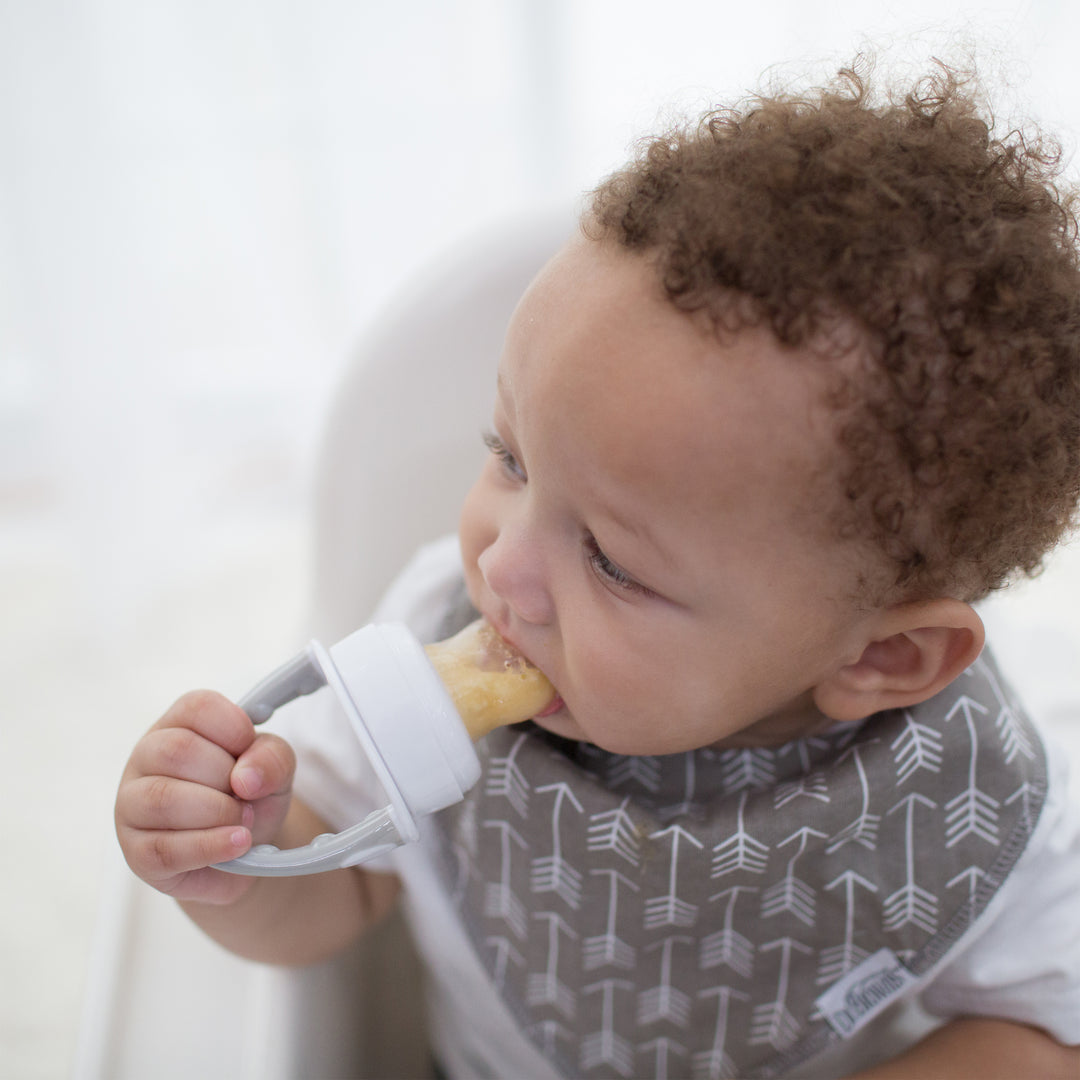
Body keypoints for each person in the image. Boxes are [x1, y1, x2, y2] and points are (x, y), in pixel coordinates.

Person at [115, 60, 1080, 1078]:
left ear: (884, 660)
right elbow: (337, 894)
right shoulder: (434, 625)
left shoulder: (969, 798)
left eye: (614, 565)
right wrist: (239, 854)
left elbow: (1048, 1030)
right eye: (510, 459)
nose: (503, 567)